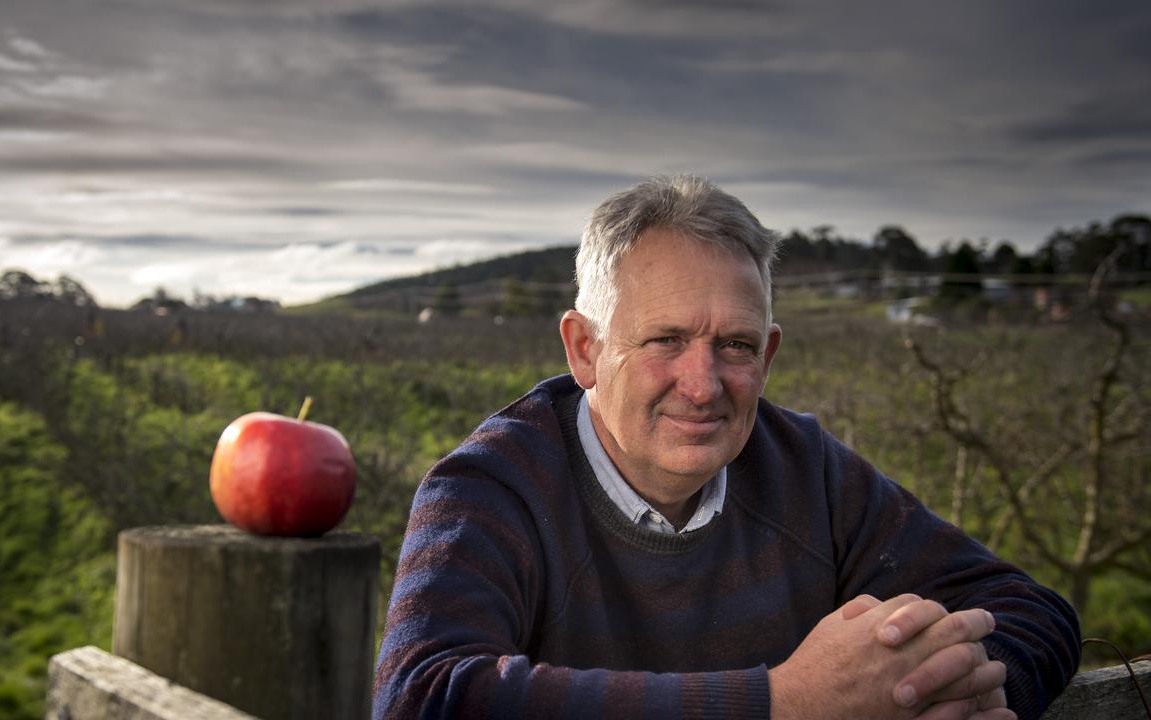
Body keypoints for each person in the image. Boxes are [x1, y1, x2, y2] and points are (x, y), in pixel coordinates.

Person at [373, 175, 1080, 719]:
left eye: (734, 345)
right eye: (666, 341)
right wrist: (781, 703)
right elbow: (423, 696)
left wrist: (947, 692)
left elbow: (1029, 610)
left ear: (767, 354)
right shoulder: (493, 487)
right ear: (585, 349)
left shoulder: (805, 469)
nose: (704, 384)